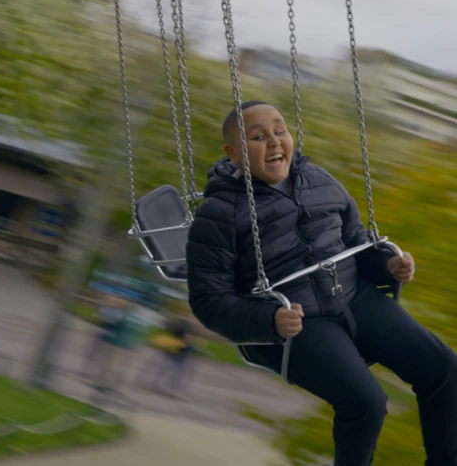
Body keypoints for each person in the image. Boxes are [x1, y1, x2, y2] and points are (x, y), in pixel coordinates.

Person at [186, 100, 457, 465]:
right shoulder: (218, 214)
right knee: (366, 403)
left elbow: (357, 241)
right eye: (257, 136)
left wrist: (387, 265)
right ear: (233, 154)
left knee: (443, 369)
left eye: (280, 131)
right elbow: (208, 301)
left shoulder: (320, 180)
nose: (274, 141)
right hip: (300, 320)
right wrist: (269, 321)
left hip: (354, 295)